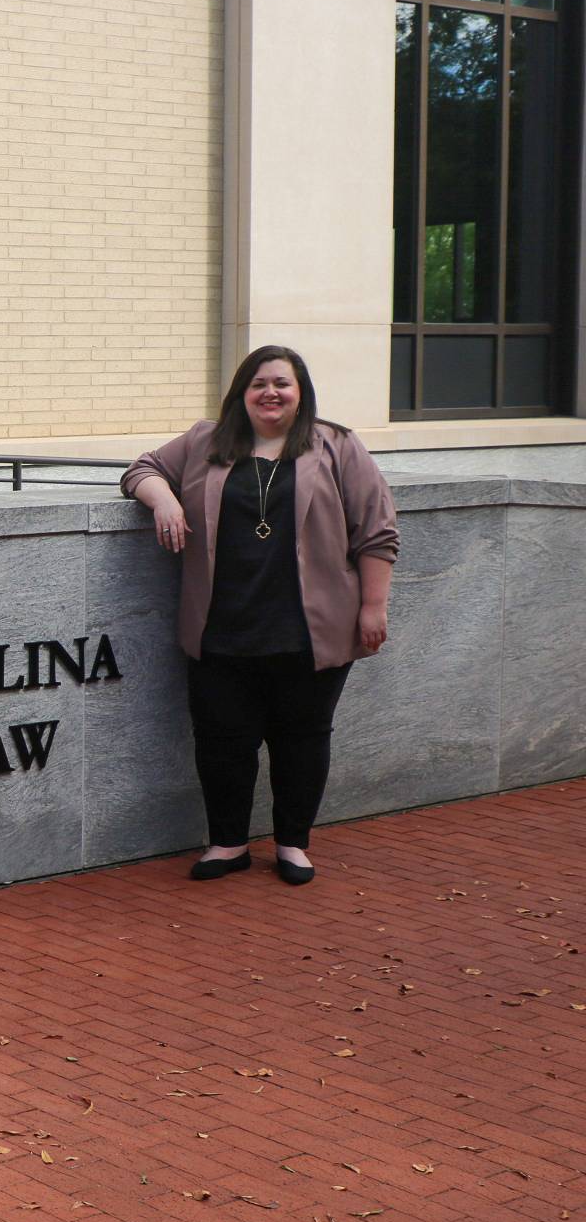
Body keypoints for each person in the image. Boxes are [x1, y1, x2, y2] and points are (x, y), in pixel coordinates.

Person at [120, 345, 397, 885]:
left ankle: (293, 844)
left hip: (310, 631)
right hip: (221, 628)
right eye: (258, 384)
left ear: (301, 393)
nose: (271, 393)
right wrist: (165, 501)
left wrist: (372, 606)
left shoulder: (335, 445)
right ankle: (228, 844)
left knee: (303, 738)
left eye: (282, 384)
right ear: (241, 394)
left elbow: (377, 531)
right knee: (223, 741)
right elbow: (142, 468)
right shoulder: (206, 442)